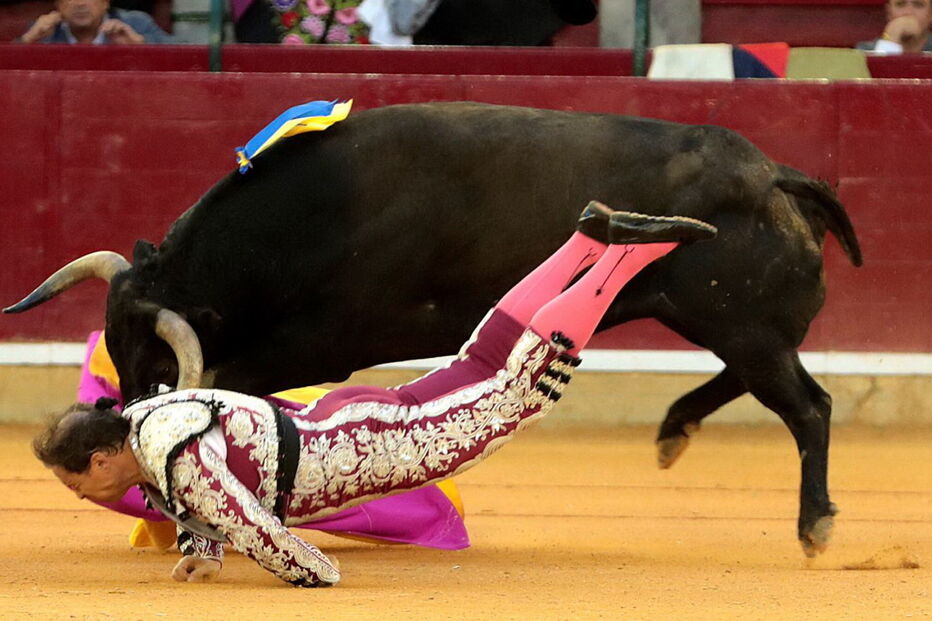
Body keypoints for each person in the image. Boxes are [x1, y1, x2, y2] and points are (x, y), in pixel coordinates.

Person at [32, 202, 716, 587]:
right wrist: (201, 552)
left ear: (100, 459)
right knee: (479, 362)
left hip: (369, 449)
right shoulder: (144, 424)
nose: (82, 497)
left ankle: (626, 255)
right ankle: (584, 240)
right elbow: (198, 496)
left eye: (76, 483)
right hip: (345, 428)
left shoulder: (167, 455)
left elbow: (252, 525)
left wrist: (316, 574)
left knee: (515, 390)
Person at [18, 0, 174, 44]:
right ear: (58, 5)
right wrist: (27, 40)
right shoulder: (43, 31)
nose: (80, 4)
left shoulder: (136, 23)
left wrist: (141, 45)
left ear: (106, 3)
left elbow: (182, 53)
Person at [856, 0, 932, 54]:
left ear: (930, 14)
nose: (908, 12)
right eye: (900, 4)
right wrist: (891, 38)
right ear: (889, 12)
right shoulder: (865, 51)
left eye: (918, 4)